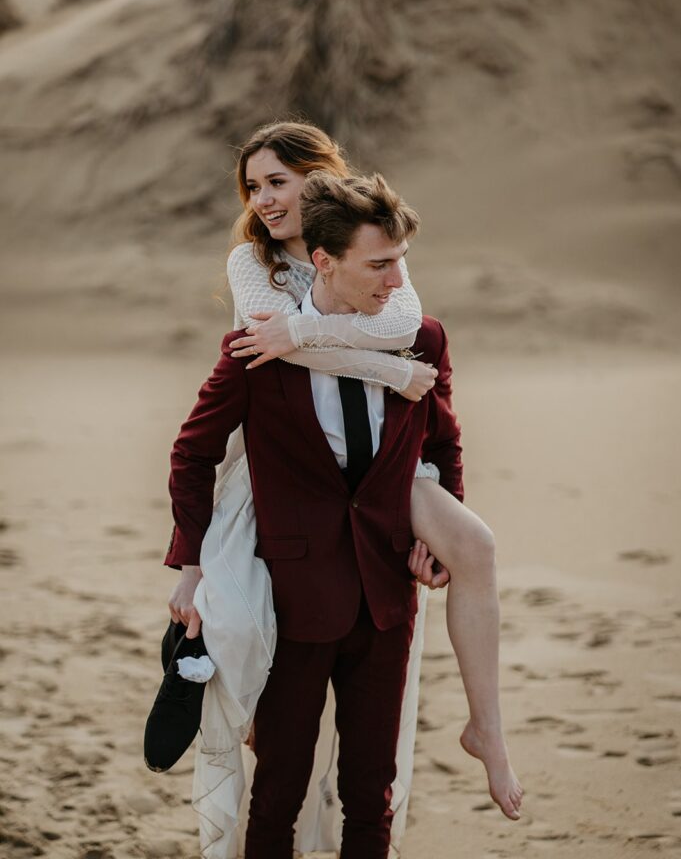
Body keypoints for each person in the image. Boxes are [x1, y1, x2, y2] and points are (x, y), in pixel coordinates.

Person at [171, 121, 522, 822]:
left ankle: (487, 726)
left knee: (474, 547)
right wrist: (380, 365)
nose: (264, 200)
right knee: (233, 623)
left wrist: (355, 346)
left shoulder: (380, 256)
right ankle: (246, 705)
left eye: (278, 181)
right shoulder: (253, 264)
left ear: (321, 176)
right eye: (253, 187)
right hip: (283, 486)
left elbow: (403, 341)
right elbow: (272, 351)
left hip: (385, 503)